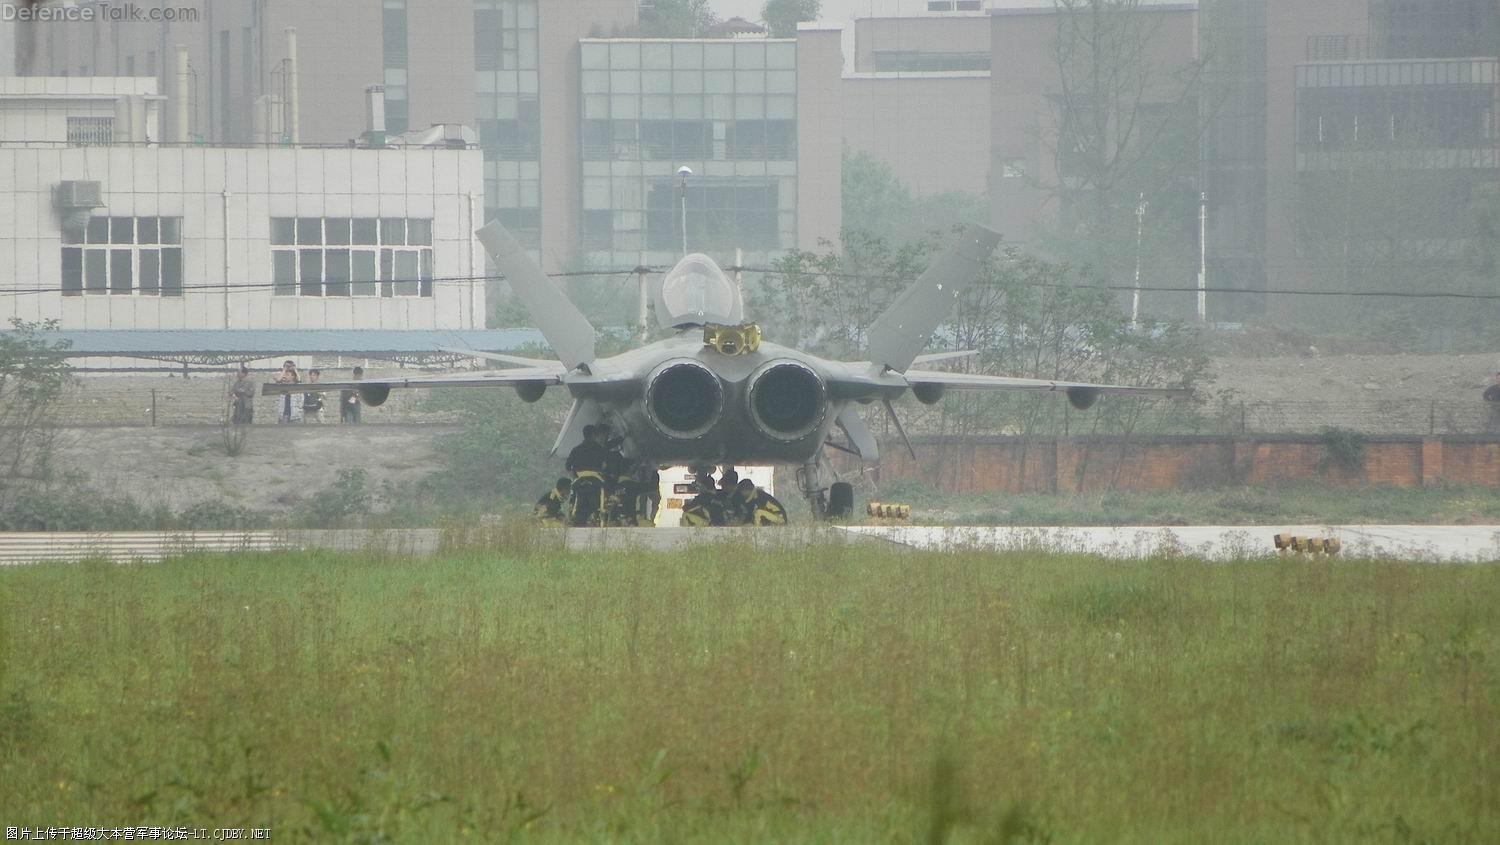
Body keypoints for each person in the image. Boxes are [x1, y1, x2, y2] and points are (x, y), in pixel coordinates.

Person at [565, 424, 611, 527]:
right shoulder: (600, 449)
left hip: (579, 481)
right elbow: (604, 466)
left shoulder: (576, 449)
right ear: (594, 435)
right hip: (597, 482)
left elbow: (568, 467)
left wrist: (576, 478)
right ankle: (601, 522)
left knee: (574, 505)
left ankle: (571, 521)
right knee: (602, 505)